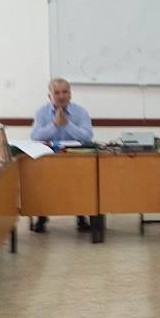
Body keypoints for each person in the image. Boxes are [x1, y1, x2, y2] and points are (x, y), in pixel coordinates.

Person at [30, 78, 94, 233]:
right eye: (57, 93)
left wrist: (67, 124)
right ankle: (41, 216)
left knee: (81, 182)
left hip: (74, 159)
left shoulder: (81, 112)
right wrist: (54, 125)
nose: (61, 96)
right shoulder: (41, 112)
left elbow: (87, 136)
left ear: (70, 94)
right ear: (50, 96)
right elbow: (35, 136)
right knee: (41, 181)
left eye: (65, 92)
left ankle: (81, 215)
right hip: (48, 159)